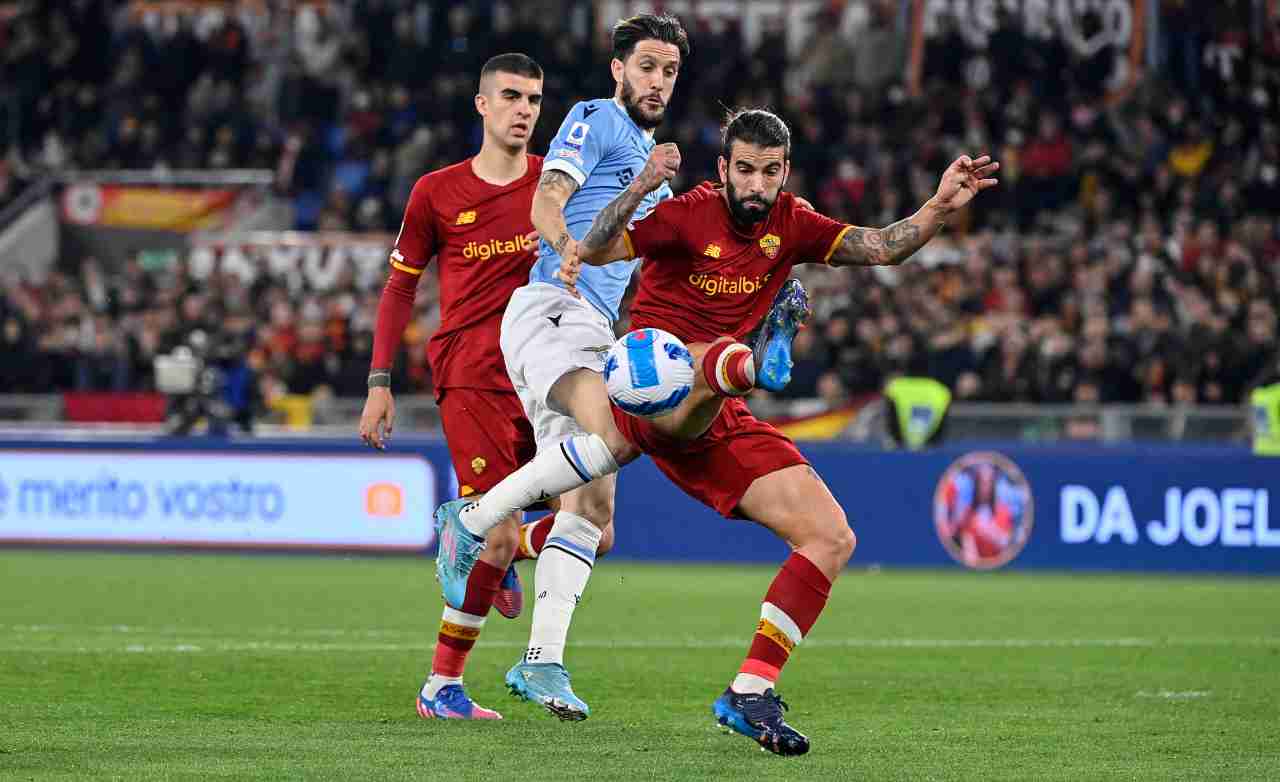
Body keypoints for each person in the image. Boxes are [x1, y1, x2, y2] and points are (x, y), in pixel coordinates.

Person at [440, 108, 998, 753]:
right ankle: (757, 360)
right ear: (723, 170)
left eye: (769, 172)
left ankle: (750, 691)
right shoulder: (686, 215)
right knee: (692, 369)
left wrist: (937, 207)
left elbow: (880, 246)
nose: (756, 185)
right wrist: (641, 185)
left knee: (830, 537)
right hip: (649, 383)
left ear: (784, 172)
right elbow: (592, 247)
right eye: (744, 170)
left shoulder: (793, 221)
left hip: (719, 413)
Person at [431, 13, 690, 722]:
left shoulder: (655, 168)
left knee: (595, 509)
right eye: (646, 66)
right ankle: (475, 519)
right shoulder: (596, 119)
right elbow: (551, 195)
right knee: (619, 431)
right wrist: (565, 245)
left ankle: (541, 661)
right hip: (551, 305)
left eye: (668, 70)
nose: (657, 81)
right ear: (619, 70)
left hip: (591, 329)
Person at [358, 53, 613, 722]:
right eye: (511, 95)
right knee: (498, 536)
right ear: (483, 105)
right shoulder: (436, 192)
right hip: (471, 372)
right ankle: (442, 685)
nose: (524, 108)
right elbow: (399, 287)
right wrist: (379, 382)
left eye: (533, 98)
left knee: (590, 526)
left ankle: (480, 549)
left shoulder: (555, 188)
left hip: (547, 371)